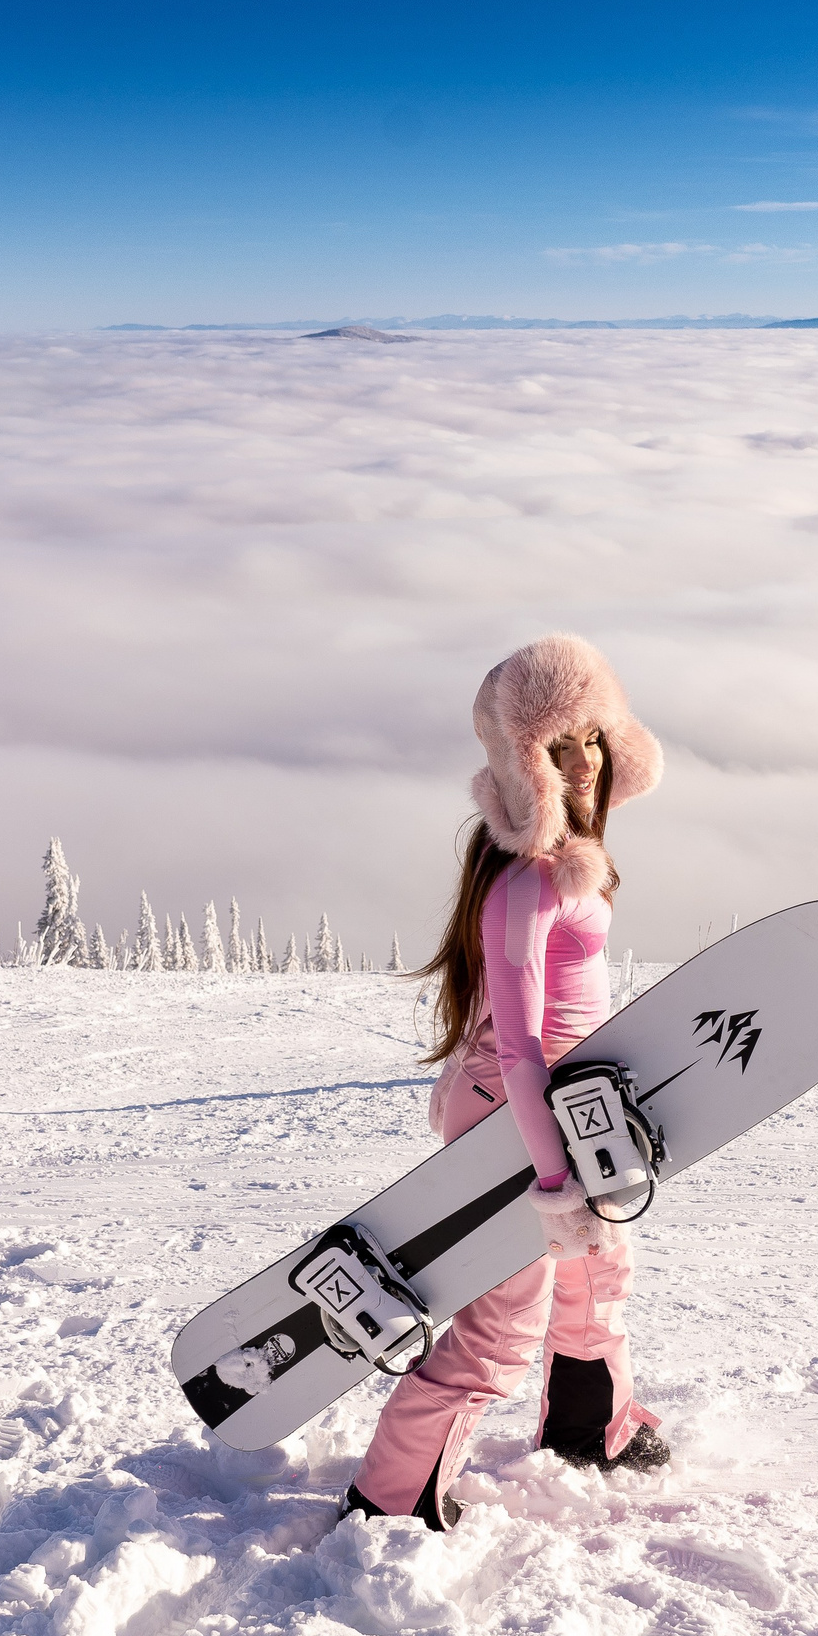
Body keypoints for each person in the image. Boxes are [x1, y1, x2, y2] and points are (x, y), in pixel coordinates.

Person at [344, 633, 670, 1530]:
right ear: (525, 763)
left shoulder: (576, 865)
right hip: (514, 1110)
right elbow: (522, 1048)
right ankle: (392, 1493)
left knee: (597, 1270)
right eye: (559, 746)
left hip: (567, 1104)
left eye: (595, 738)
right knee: (505, 1314)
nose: (585, 761)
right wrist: (555, 1181)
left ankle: (587, 1425)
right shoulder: (524, 883)